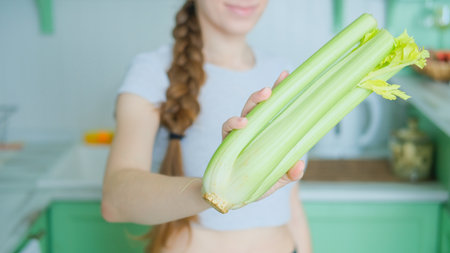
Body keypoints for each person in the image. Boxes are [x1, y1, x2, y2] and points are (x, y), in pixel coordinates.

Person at [101, 0, 312, 252]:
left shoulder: (284, 71)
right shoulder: (151, 70)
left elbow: (291, 202)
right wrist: (216, 189)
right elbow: (115, 199)